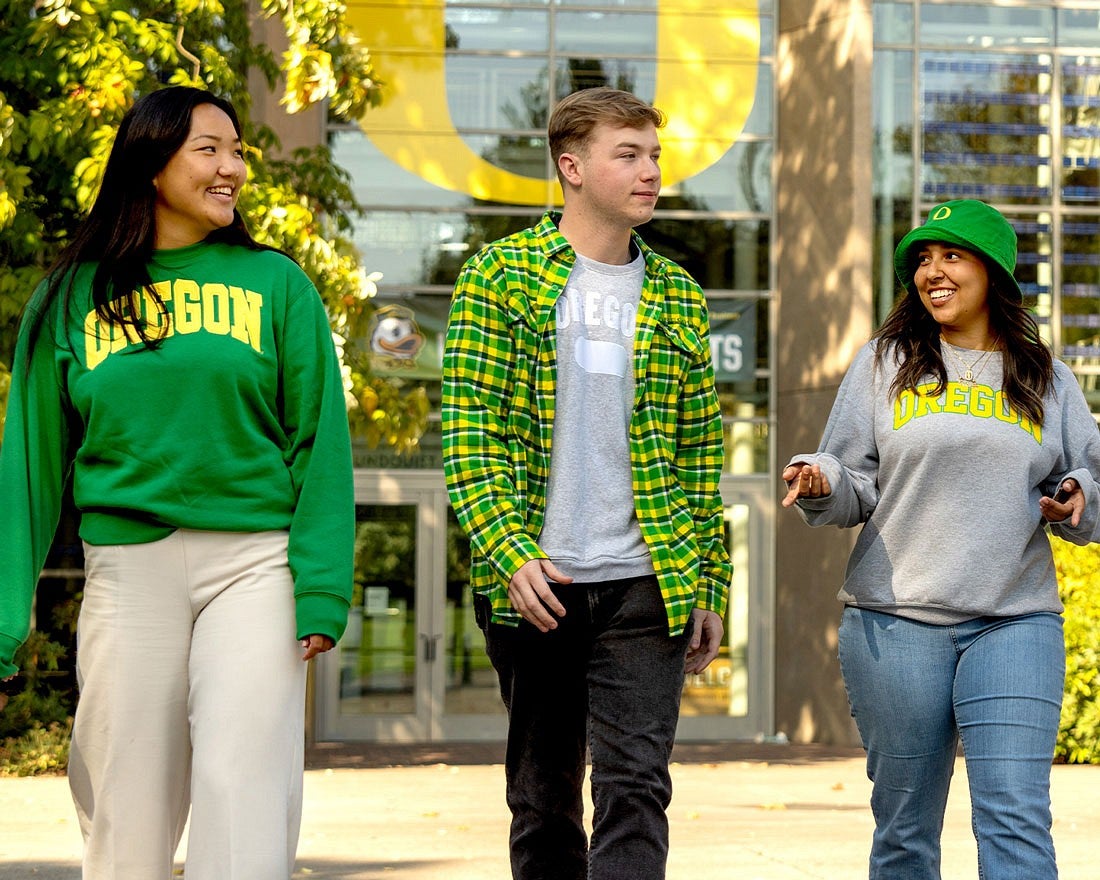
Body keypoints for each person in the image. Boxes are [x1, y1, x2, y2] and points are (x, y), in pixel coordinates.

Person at [0, 86, 354, 879]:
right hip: (127, 569)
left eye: (238, 153)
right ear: (151, 163)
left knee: (244, 782)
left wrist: (323, 585)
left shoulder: (278, 285)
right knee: (126, 795)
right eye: (210, 150)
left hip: (256, 567)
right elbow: (26, 470)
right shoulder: (69, 298)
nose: (232, 169)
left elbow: (320, 448)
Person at [441, 86, 732, 880]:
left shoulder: (677, 295)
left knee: (637, 789)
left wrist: (709, 579)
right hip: (538, 582)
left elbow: (698, 455)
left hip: (647, 582)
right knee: (542, 799)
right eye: (628, 155)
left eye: (655, 156)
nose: (651, 172)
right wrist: (510, 554)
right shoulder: (501, 277)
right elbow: (471, 440)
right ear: (571, 166)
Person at [781, 198, 1100, 879]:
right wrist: (819, 479)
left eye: (951, 255)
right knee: (905, 831)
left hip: (1013, 622)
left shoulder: (1046, 376)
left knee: (1016, 817)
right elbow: (850, 478)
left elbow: (1091, 481)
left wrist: (1078, 498)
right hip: (895, 627)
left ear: (993, 272)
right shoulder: (885, 363)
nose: (932, 272)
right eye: (922, 260)